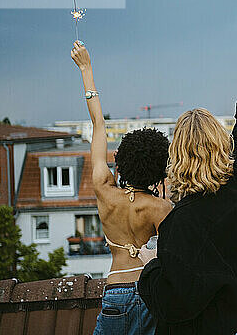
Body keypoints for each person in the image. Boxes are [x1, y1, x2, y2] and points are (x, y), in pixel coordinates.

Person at [137, 44, 237, 335]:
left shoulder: (179, 223)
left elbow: (173, 303)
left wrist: (151, 266)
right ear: (221, 144)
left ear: (177, 154)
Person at [70, 42, 173, 335]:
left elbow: (98, 124)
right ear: (159, 168)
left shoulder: (104, 189)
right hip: (150, 292)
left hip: (116, 291)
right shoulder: (161, 208)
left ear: (123, 160)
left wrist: (85, 69)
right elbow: (173, 257)